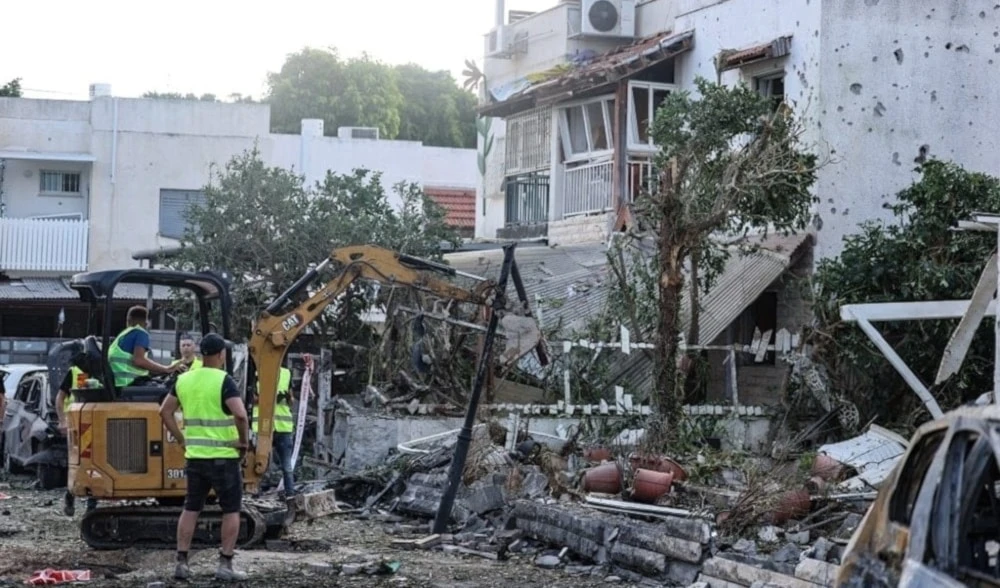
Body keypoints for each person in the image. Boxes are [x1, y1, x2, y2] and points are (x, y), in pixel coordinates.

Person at [159, 334, 249, 582]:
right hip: (223, 458)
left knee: (191, 508)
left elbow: (164, 412)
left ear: (201, 354)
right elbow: (240, 416)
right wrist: (243, 442)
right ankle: (225, 565)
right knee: (231, 510)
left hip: (195, 458)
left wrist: (180, 438)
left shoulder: (184, 379)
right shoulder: (224, 380)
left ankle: (181, 563)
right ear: (221, 354)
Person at [109, 306, 186, 388]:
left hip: (120, 382)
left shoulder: (123, 335)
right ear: (146, 321)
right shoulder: (140, 333)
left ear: (128, 320)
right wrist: (166, 369)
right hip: (131, 383)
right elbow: (139, 360)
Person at [57, 365, 96, 517]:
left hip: (93, 423)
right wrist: (62, 421)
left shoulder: (105, 372)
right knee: (79, 463)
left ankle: (91, 505)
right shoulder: (78, 372)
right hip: (76, 425)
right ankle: (70, 495)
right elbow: (60, 398)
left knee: (94, 463)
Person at [251, 364, 296, 498]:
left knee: (287, 466)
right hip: (263, 427)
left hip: (282, 427)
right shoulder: (257, 374)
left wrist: (287, 397)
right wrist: (268, 399)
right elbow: (252, 399)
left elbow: (291, 400)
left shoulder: (287, 373)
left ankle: (290, 495)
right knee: (259, 463)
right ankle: (254, 493)